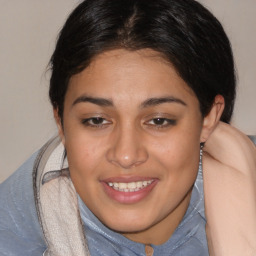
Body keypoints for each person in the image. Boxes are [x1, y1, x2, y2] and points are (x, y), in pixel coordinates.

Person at [0, 0, 255, 255]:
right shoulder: (24, 218)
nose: (126, 155)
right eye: (97, 120)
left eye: (159, 120)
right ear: (61, 123)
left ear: (209, 117)